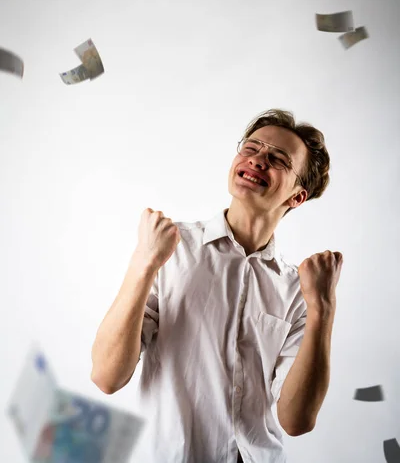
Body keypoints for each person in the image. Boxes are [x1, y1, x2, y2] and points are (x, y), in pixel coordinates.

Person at [91, 108, 336, 463]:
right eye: (251, 148)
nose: (258, 160)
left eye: (277, 158)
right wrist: (143, 263)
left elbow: (296, 421)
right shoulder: (169, 249)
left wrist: (323, 310)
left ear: (298, 196)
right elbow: (106, 377)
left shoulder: (298, 290)